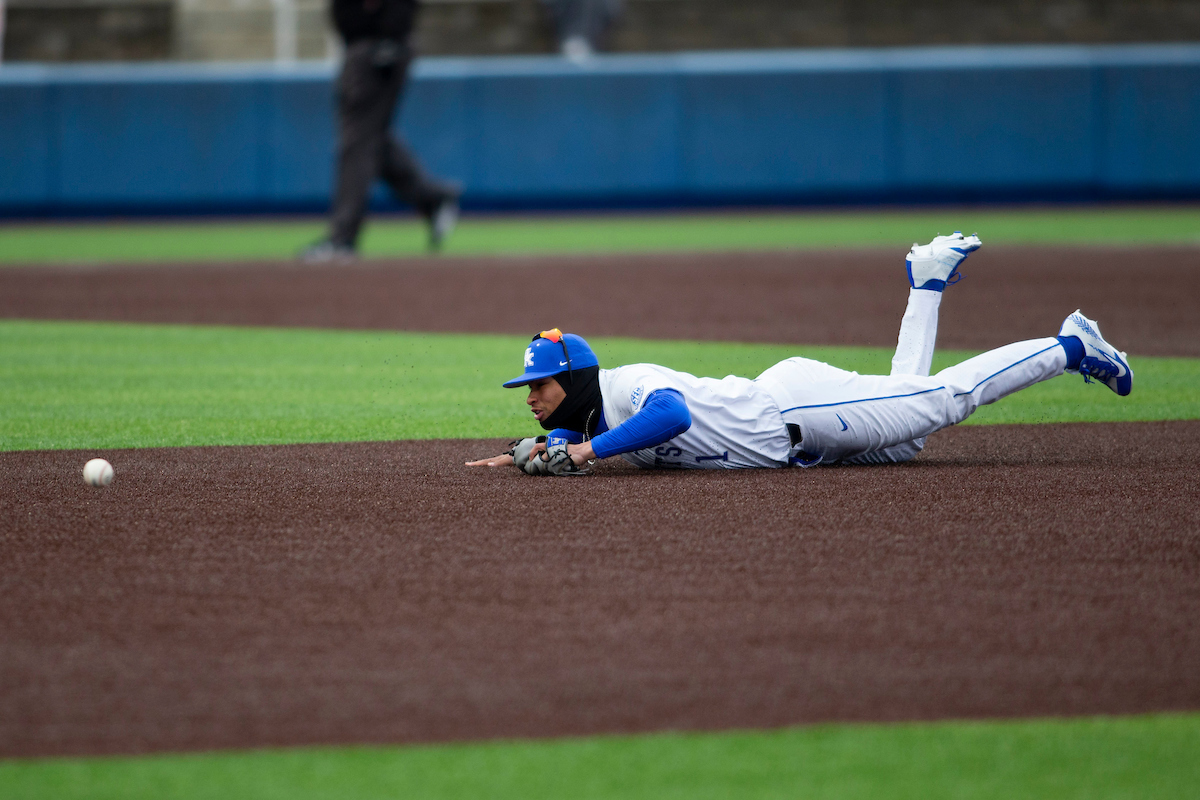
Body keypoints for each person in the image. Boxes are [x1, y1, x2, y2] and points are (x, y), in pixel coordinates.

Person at [466, 233, 1134, 475]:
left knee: (943, 402)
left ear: (576, 380)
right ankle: (927, 282)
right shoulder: (592, 417)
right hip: (798, 428)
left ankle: (1071, 343)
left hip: (800, 408)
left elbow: (669, 417)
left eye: (540, 386)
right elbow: (582, 431)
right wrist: (534, 447)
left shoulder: (629, 385)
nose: (530, 396)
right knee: (909, 438)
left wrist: (580, 454)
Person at [302, 0, 461, 263]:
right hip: (366, 44)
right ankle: (432, 198)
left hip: (376, 47)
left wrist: (390, 37)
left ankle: (343, 237)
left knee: (357, 142)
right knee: (371, 139)